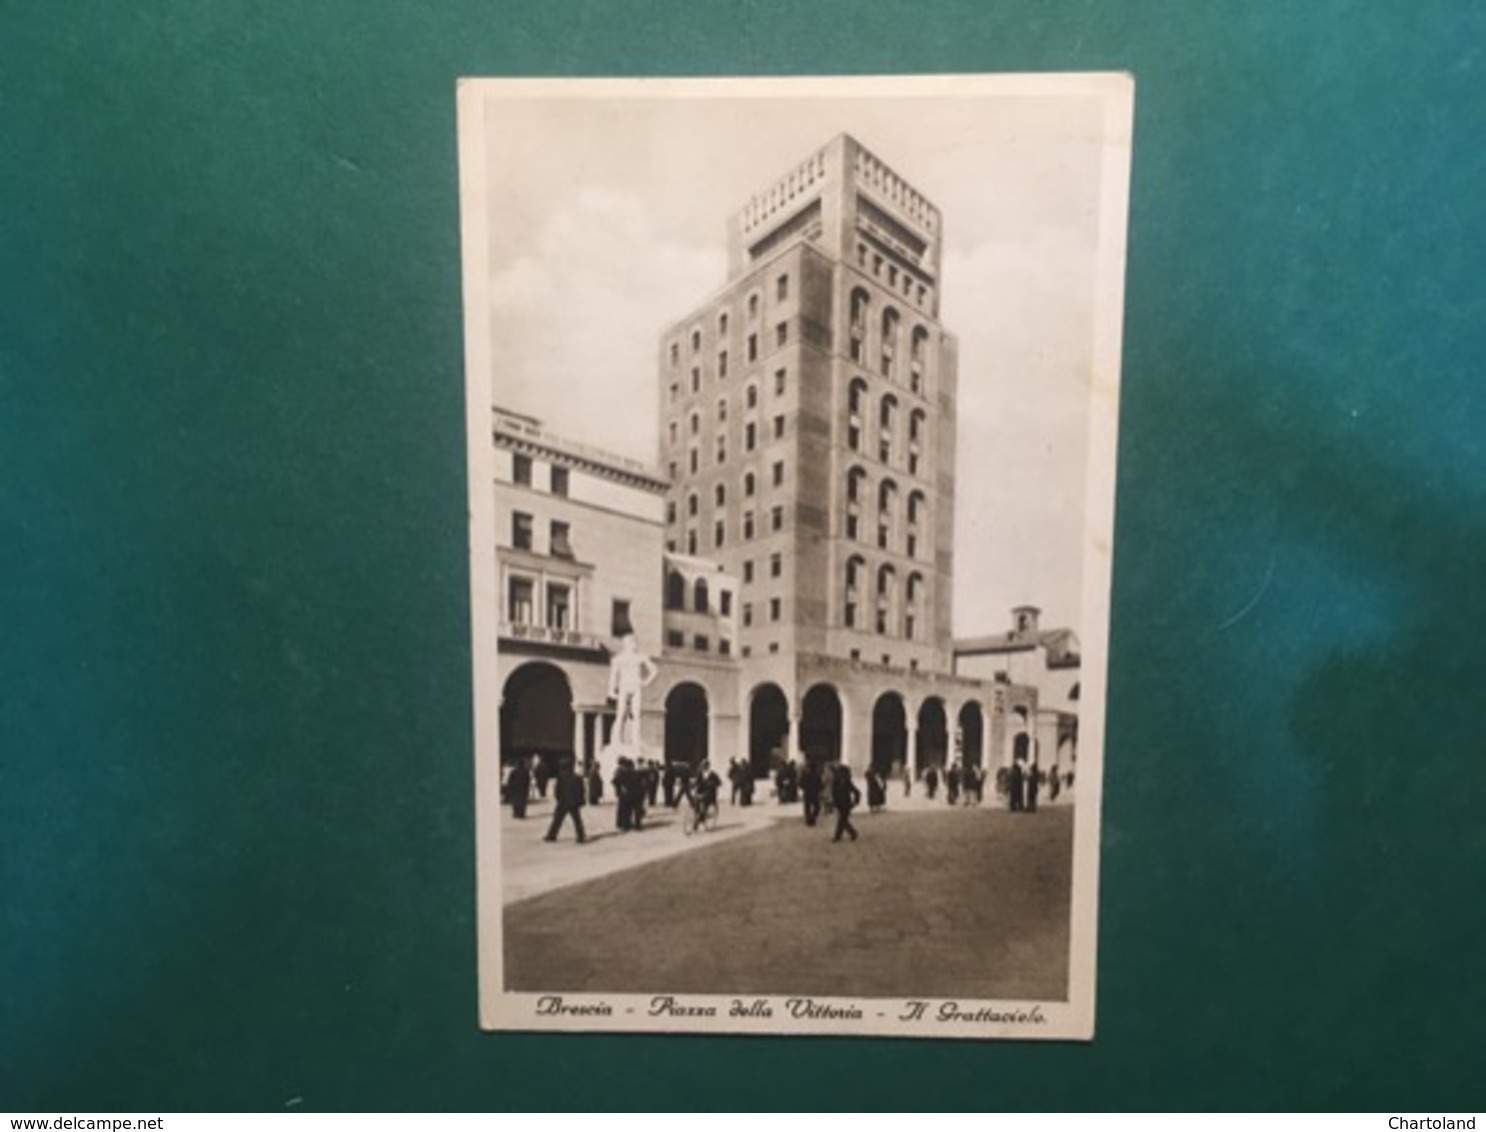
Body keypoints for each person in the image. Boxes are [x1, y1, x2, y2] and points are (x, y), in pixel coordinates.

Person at [543, 756, 586, 844]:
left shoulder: (561, 777)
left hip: (563, 802)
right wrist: (580, 801)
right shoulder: (577, 778)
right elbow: (581, 791)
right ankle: (580, 836)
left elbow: (557, 790)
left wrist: (558, 799)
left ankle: (552, 835)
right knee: (577, 820)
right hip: (573, 802)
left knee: (557, 820)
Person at [830, 765, 862, 842]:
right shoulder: (837, 782)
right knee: (843, 820)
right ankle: (852, 833)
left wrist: (856, 801)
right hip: (840, 803)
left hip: (846, 803)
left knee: (842, 820)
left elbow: (857, 792)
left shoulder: (845, 782)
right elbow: (834, 793)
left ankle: (839, 836)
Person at [800, 760, 823, 827]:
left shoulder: (805, 775)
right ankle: (811, 818)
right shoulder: (817, 775)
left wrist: (805, 788)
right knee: (817, 807)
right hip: (814, 793)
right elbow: (820, 785)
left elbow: (801, 784)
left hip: (808, 793)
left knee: (808, 807)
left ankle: (809, 819)